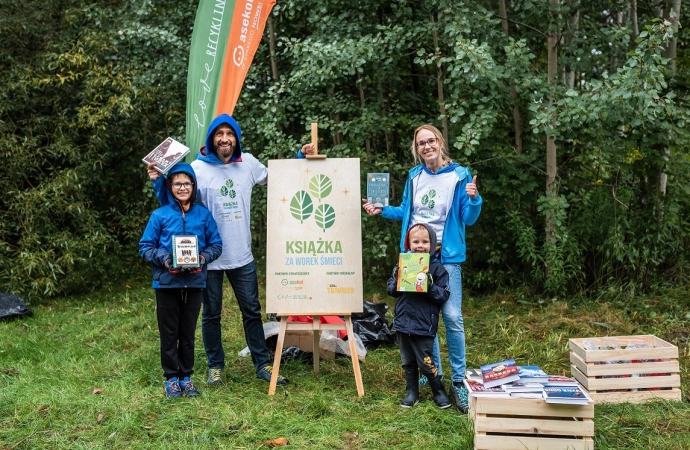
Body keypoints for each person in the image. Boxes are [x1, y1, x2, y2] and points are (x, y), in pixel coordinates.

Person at [148, 114, 314, 387]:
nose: (224, 139)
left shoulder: (247, 163)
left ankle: (262, 364)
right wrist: (157, 179)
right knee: (211, 314)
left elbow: (279, 179)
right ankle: (216, 366)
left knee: (252, 310)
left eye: (230, 134)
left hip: (242, 255)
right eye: (219, 134)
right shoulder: (198, 168)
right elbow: (174, 200)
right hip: (208, 257)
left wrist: (299, 156)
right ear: (212, 139)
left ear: (236, 139)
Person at [362, 124, 482, 413]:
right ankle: (432, 373)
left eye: (431, 141)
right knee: (425, 318)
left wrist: (475, 198)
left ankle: (458, 382)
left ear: (440, 142)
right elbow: (407, 211)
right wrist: (382, 210)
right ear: (416, 149)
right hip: (416, 257)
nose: (426, 147)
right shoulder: (415, 176)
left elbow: (468, 216)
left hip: (447, 256)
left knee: (452, 317)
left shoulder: (460, 174)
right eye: (421, 144)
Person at [139, 163, 223, 398]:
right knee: (169, 332)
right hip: (167, 283)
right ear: (170, 186)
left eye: (187, 183)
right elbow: (145, 247)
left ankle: (186, 376)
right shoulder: (160, 215)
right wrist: (165, 259)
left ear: (193, 186)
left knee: (188, 332)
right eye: (177, 183)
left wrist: (203, 258)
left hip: (195, 282)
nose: (182, 187)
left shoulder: (203, 215)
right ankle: (171, 379)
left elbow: (216, 245)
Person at [388, 223, 451, 409]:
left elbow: (444, 294)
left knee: (425, 361)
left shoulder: (437, 268)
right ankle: (412, 392)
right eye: (415, 242)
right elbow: (391, 288)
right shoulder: (402, 264)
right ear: (409, 244)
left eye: (425, 242)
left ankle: (438, 390)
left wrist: (429, 286)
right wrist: (399, 280)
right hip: (402, 321)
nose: (420, 245)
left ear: (432, 244)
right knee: (407, 361)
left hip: (424, 323)